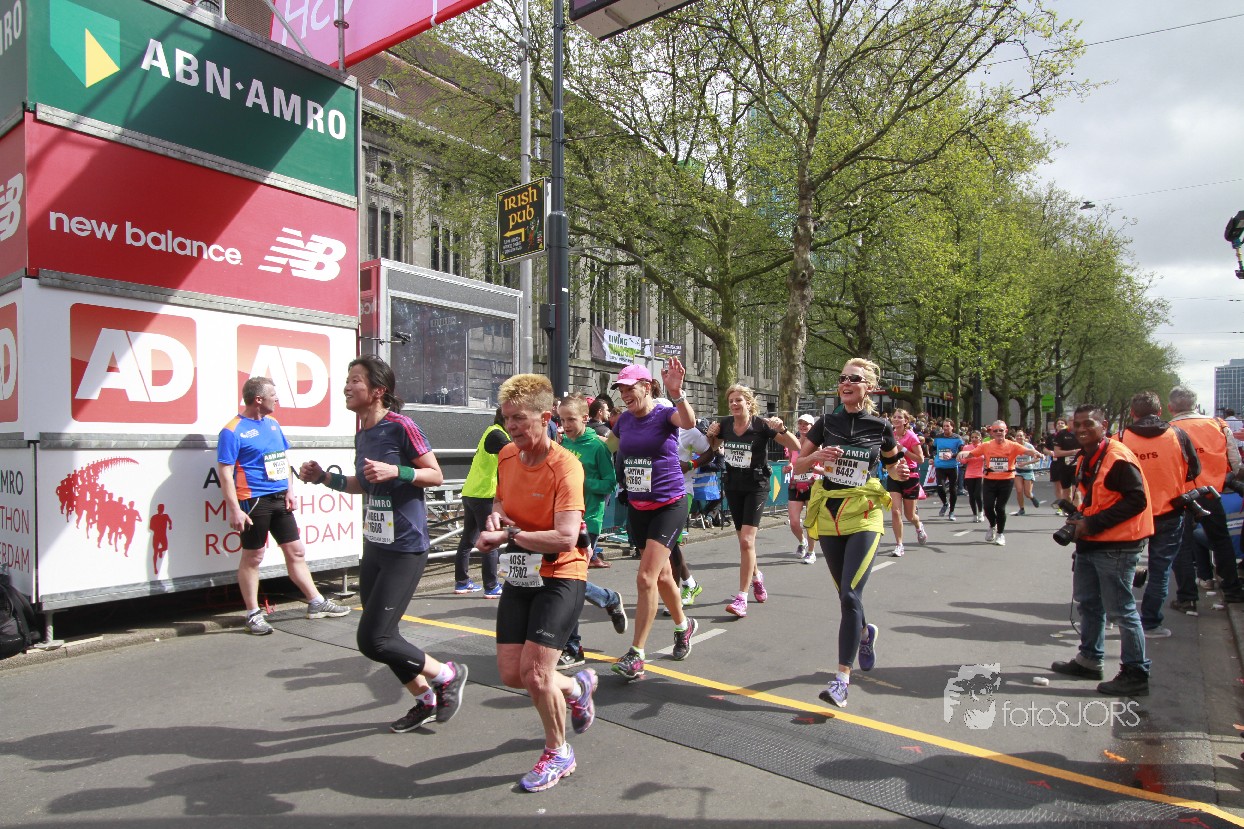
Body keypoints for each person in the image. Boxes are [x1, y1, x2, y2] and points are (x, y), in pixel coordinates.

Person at [298, 356, 468, 733]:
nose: (347, 386)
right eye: (347, 380)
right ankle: (425, 699)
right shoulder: (363, 433)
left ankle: (448, 674)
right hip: (376, 545)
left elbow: (435, 475)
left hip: (405, 548)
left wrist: (398, 471)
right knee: (385, 635)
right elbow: (363, 484)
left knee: (374, 639)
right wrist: (323, 478)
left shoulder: (401, 426)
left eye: (355, 380)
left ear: (378, 391)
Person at [472, 373, 598, 792]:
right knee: (513, 673)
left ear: (545, 419)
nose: (511, 427)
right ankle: (577, 687)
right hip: (522, 571)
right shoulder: (508, 455)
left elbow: (565, 537)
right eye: (507, 418)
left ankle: (559, 752)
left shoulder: (566, 466)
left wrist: (508, 535)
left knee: (538, 675)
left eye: (519, 419)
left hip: (562, 572)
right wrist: (496, 519)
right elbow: (500, 502)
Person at [792, 358, 907, 708]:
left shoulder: (880, 426)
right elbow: (798, 465)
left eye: (853, 379)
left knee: (850, 594)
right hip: (830, 512)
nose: (845, 383)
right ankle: (864, 633)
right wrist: (817, 457)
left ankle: (841, 680)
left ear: (868, 387)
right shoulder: (826, 423)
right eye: (842, 378)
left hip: (864, 512)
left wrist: (900, 472)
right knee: (846, 594)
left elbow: (894, 469)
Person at [217, 376, 351, 635]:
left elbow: (282, 460)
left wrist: (290, 491)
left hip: (279, 498)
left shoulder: (273, 424)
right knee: (254, 556)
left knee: (296, 551)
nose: (277, 399)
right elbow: (225, 473)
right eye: (273, 395)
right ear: (258, 399)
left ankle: (316, 602)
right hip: (254, 500)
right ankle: (253, 614)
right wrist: (234, 508)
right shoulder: (232, 430)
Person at [1050, 404, 1154, 696]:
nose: (1081, 429)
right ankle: (1089, 659)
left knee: (1121, 610)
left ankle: (1136, 673)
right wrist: (1081, 518)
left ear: (1104, 425)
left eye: (1088, 424)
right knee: (1089, 603)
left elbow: (1137, 501)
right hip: (1094, 540)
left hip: (1117, 544)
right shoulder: (1088, 456)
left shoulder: (1118, 458)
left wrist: (1091, 523)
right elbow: (1097, 497)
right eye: (1077, 424)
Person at [609, 360, 700, 680]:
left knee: (646, 578)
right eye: (620, 390)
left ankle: (636, 654)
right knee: (662, 576)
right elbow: (608, 447)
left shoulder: (664, 414)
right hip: (638, 507)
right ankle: (684, 626)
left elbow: (688, 421)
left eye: (629, 389)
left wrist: (677, 393)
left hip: (669, 505)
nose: (624, 395)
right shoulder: (624, 421)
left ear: (646, 387)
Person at [707, 384, 800, 616]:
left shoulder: (761, 425)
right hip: (734, 485)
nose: (734, 404)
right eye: (731, 401)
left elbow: (795, 445)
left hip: (756, 486)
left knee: (747, 541)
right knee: (744, 542)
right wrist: (711, 434)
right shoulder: (725, 425)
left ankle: (741, 598)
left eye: (739, 400)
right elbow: (714, 447)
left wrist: (783, 428)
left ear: (749, 403)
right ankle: (757, 577)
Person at [1118, 391, 1200, 637]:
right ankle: (1151, 623)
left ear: (1132, 413)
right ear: (1160, 411)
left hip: (1131, 513)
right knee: (1160, 569)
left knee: (1121, 566)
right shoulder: (1178, 435)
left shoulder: (1120, 438)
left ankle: (1116, 615)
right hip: (1169, 511)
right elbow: (1194, 470)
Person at [556, 393, 627, 669]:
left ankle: (573, 647)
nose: (566, 425)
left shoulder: (597, 447)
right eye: (562, 420)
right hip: (564, 520)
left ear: (585, 418)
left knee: (569, 584)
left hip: (589, 521)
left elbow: (610, 483)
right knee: (567, 582)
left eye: (571, 420)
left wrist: (582, 481)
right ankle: (609, 599)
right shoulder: (562, 444)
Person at [1167, 386, 1244, 604]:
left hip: (1182, 494)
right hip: (1212, 492)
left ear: (1171, 407)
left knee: (1183, 545)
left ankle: (1187, 598)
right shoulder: (1218, 425)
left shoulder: (1168, 430)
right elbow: (1235, 463)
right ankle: (1231, 589)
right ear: (1195, 404)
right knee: (1221, 540)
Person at [957, 421, 1042, 546]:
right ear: (992, 432)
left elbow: (1027, 451)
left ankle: (1000, 534)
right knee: (988, 507)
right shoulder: (986, 445)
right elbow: (971, 453)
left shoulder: (1012, 445)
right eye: (995, 430)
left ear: (1005, 431)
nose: (998, 433)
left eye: (1001, 430)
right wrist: (962, 453)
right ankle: (992, 526)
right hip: (989, 479)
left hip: (1006, 480)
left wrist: (1036, 453)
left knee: (1000, 508)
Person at [455, 408, 509, 597]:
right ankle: (491, 586)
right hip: (484, 495)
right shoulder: (498, 435)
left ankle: (462, 583)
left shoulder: (490, 432)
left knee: (467, 540)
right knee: (490, 540)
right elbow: (517, 454)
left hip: (471, 491)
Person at [884, 409, 927, 558]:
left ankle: (918, 525)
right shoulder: (890, 435)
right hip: (894, 475)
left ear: (906, 421)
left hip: (910, 476)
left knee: (910, 515)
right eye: (894, 417)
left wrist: (903, 449)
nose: (896, 419)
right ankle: (899, 544)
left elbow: (920, 459)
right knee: (895, 511)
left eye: (899, 417)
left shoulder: (911, 436)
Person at [785, 414, 817, 563]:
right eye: (801, 424)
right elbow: (791, 462)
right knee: (793, 522)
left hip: (812, 485)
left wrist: (816, 468)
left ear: (812, 427)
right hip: (795, 484)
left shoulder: (817, 445)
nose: (803, 426)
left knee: (810, 521)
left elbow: (823, 463)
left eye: (806, 424)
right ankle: (802, 541)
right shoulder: (794, 444)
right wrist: (788, 467)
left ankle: (811, 551)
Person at [1045, 418, 1081, 512]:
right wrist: (1074, 452)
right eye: (1070, 420)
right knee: (1067, 494)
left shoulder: (1081, 433)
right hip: (1064, 467)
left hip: (1078, 468)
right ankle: (1069, 513)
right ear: (1068, 423)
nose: (1073, 422)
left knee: (1076, 493)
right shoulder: (1061, 434)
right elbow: (1057, 453)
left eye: (1074, 420)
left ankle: (1078, 513)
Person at [931, 419, 965, 520]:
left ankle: (952, 512)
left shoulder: (957, 438)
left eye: (947, 426)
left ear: (952, 427)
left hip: (952, 466)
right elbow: (933, 449)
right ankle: (945, 503)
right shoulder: (938, 437)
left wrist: (952, 455)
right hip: (940, 466)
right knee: (940, 487)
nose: (945, 428)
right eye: (944, 426)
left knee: (952, 489)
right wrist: (932, 457)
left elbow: (962, 452)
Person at [1010, 429, 1042, 516]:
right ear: (1015, 438)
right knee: (1019, 490)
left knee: (1027, 493)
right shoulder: (1013, 446)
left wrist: (1026, 463)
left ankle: (1032, 497)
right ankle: (1022, 509)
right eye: (1017, 436)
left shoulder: (1029, 446)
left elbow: (1037, 458)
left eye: (1021, 436)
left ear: (1024, 437)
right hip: (1018, 471)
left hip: (1028, 471)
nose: (1019, 437)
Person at [961, 430, 986, 521]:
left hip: (980, 473)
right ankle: (974, 514)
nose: (974, 439)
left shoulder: (983, 447)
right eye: (972, 437)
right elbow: (963, 461)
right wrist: (967, 457)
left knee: (977, 494)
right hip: (969, 474)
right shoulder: (967, 447)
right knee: (971, 495)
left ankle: (980, 512)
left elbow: (987, 459)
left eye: (976, 437)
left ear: (980, 438)